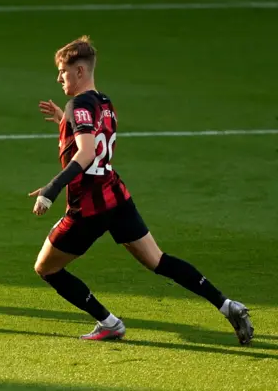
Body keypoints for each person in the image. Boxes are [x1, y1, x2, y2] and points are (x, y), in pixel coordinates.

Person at [28, 35, 253, 344]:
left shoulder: (78, 104)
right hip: (116, 196)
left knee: (45, 267)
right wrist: (62, 120)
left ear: (80, 72)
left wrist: (51, 189)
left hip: (88, 207)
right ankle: (227, 305)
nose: (59, 78)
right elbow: (94, 141)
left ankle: (109, 323)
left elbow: (86, 152)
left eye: (63, 72)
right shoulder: (103, 102)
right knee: (158, 261)